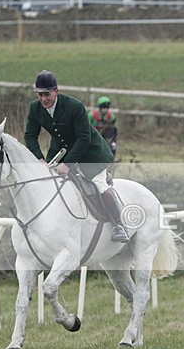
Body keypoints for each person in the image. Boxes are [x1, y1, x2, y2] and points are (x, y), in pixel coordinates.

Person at [24, 70, 130, 243]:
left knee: (99, 184)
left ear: (56, 91)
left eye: (47, 94)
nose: (43, 99)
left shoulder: (75, 106)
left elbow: (84, 138)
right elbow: (30, 136)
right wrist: (40, 159)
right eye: (40, 94)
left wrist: (68, 164)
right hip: (60, 152)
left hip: (90, 153)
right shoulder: (35, 108)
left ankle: (119, 225)